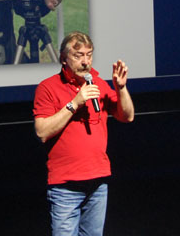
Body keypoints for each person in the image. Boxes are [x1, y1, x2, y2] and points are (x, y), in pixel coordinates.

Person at [33, 31, 135, 236]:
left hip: (97, 181)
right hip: (65, 186)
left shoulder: (98, 83)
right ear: (63, 58)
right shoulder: (48, 87)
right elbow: (42, 131)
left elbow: (127, 116)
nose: (85, 61)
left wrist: (121, 88)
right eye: (78, 55)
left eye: (89, 55)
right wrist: (75, 103)